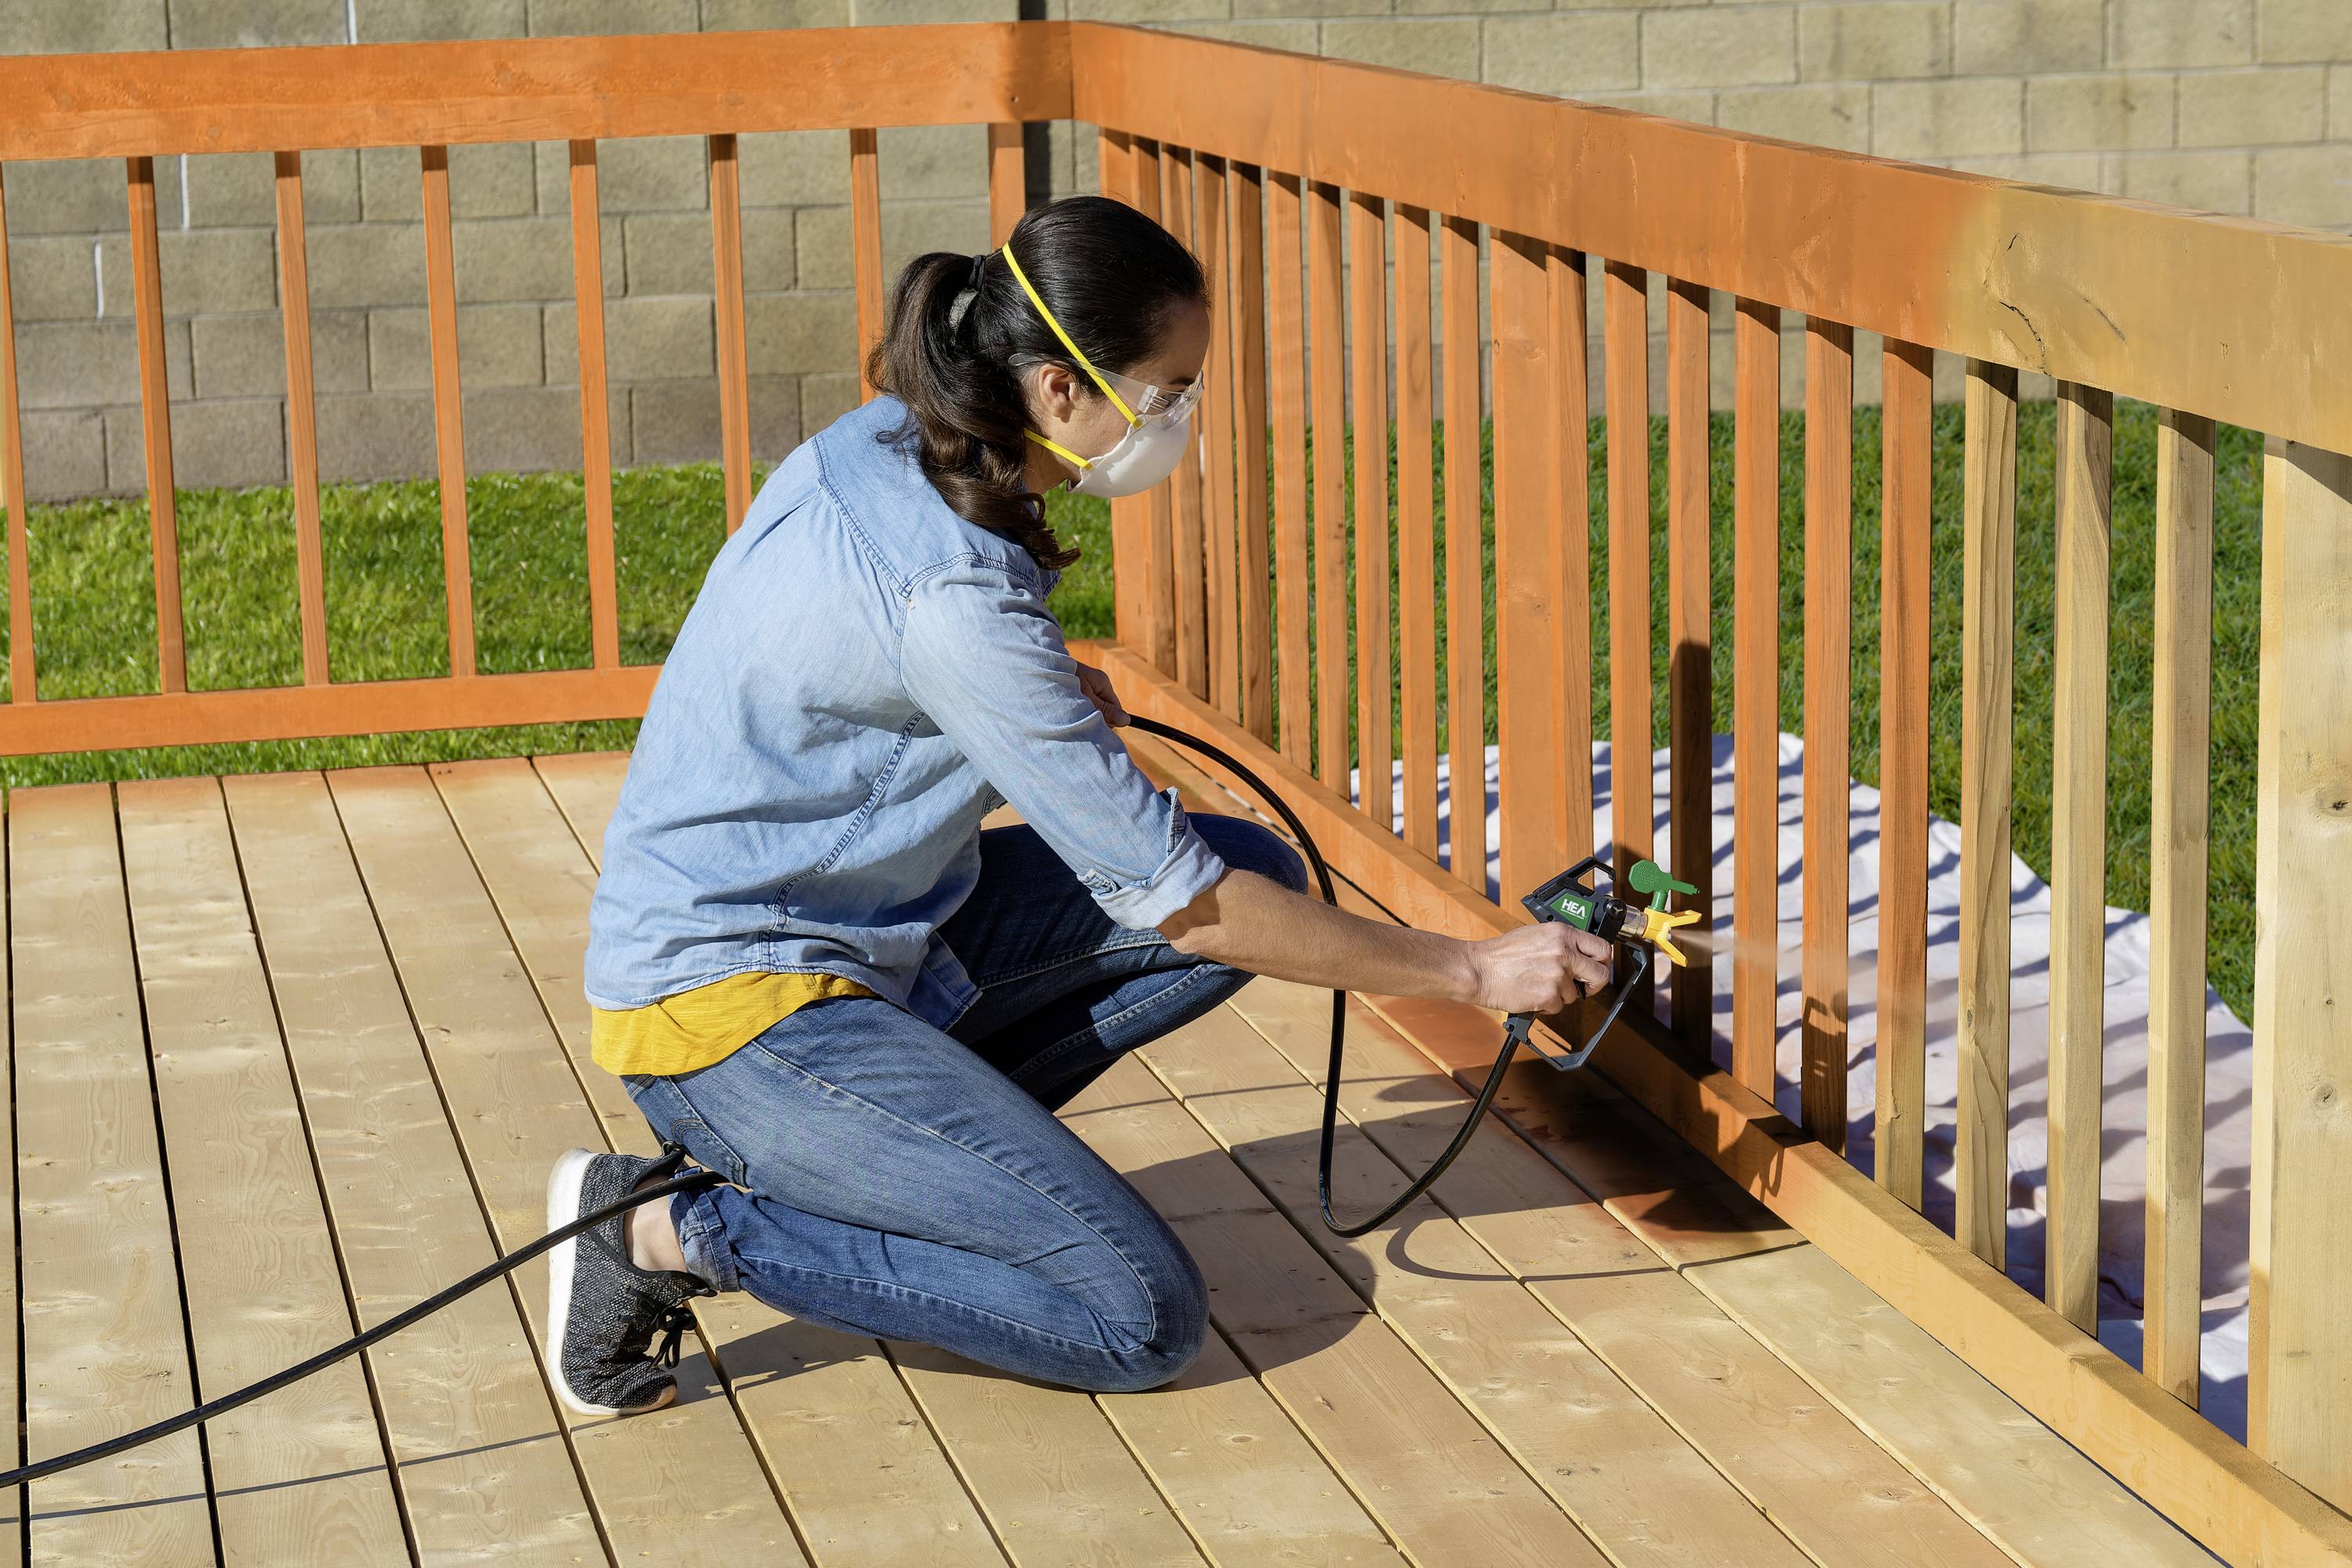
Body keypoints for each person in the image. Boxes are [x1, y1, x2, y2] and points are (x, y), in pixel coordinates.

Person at [544, 195, 1612, 1417]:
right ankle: (665, 1232)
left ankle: (883, 1160)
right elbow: (1191, 907)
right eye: (1169, 393)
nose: (1182, 418)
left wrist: (1028, 692)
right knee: (1133, 1313)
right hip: (726, 1013)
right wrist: (1472, 972)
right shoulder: (955, 594)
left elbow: (879, 667)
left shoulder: (897, 436)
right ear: (1058, 389)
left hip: (863, 935)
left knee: (1257, 861)